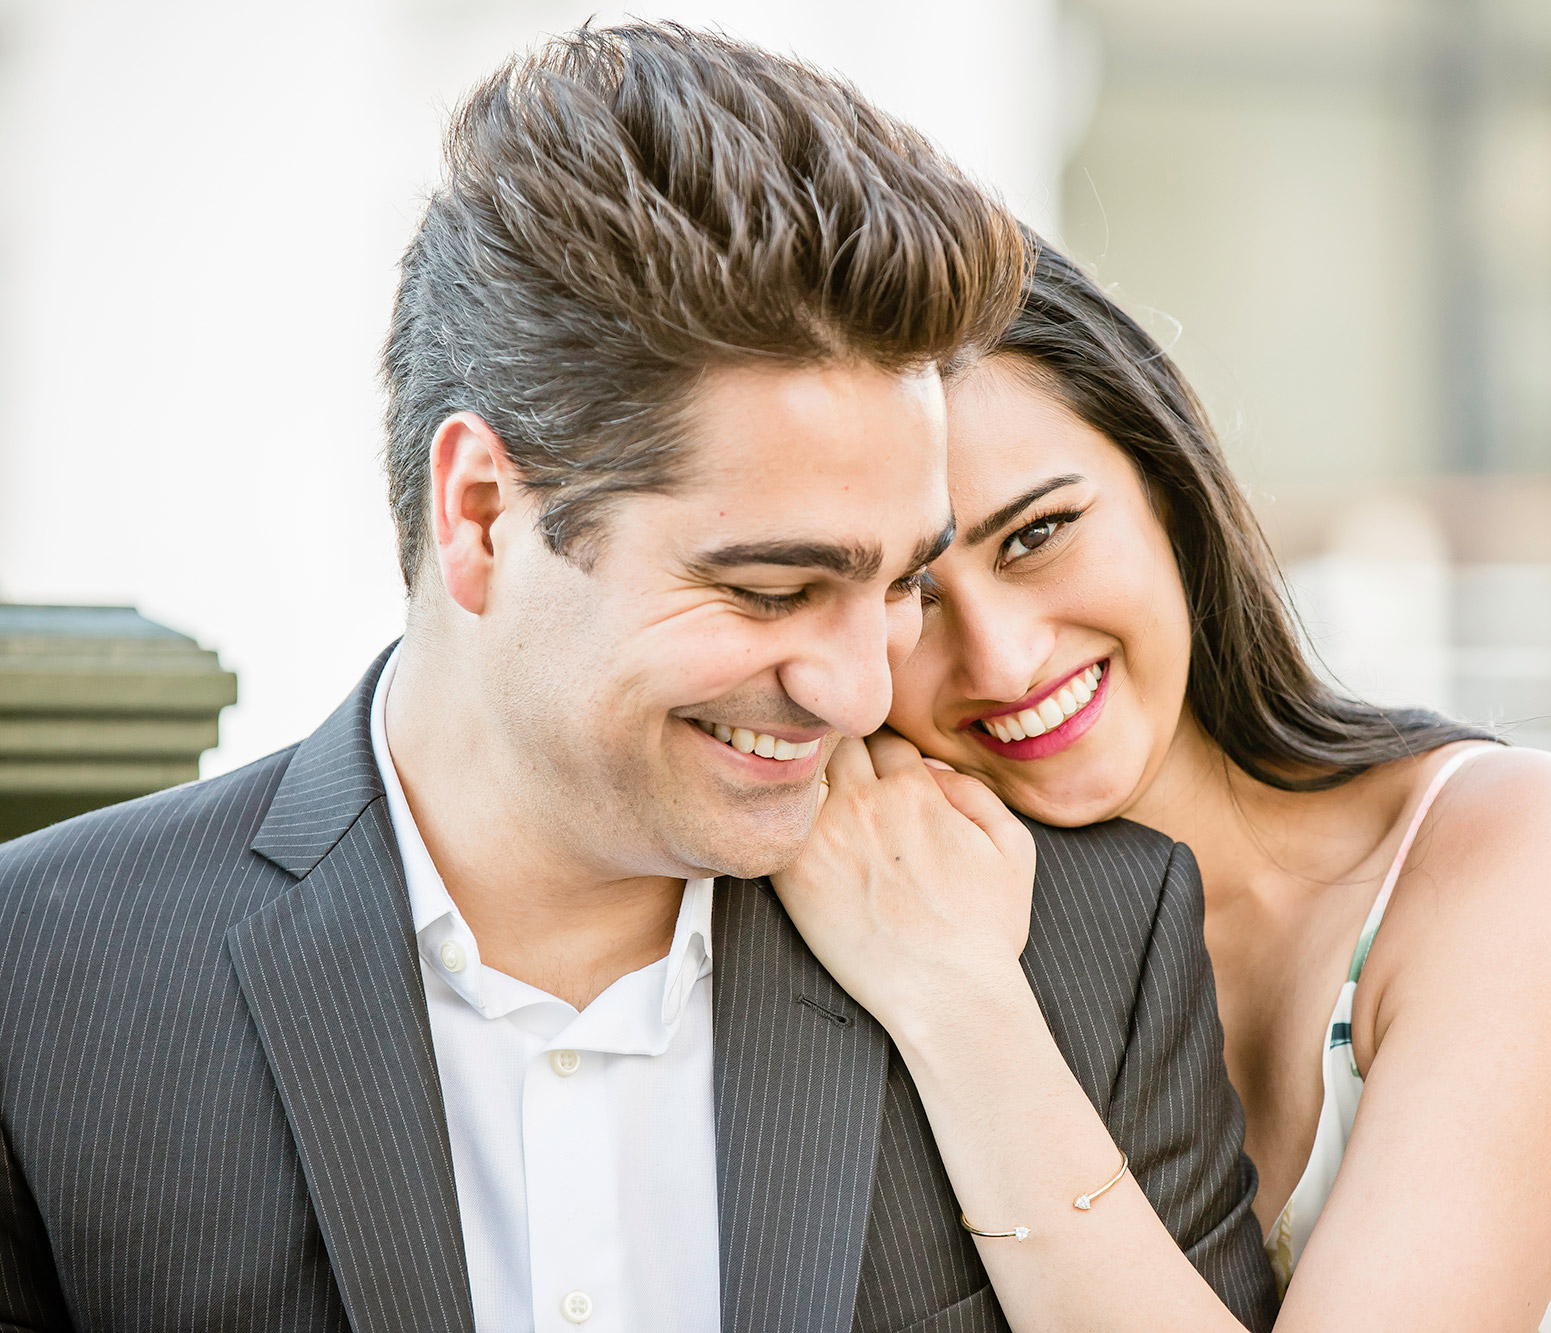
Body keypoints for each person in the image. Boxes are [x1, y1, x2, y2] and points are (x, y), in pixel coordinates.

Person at [0, 29, 1278, 1333]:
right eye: (771, 589)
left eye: (900, 583)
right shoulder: (42, 980)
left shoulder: (1084, 942)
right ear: (483, 513)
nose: (854, 690)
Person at [774, 240, 1551, 1331]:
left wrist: (955, 999)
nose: (1003, 658)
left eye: (1038, 534)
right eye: (911, 593)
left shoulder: (1536, 860)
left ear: (1168, 490)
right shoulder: (884, 907)